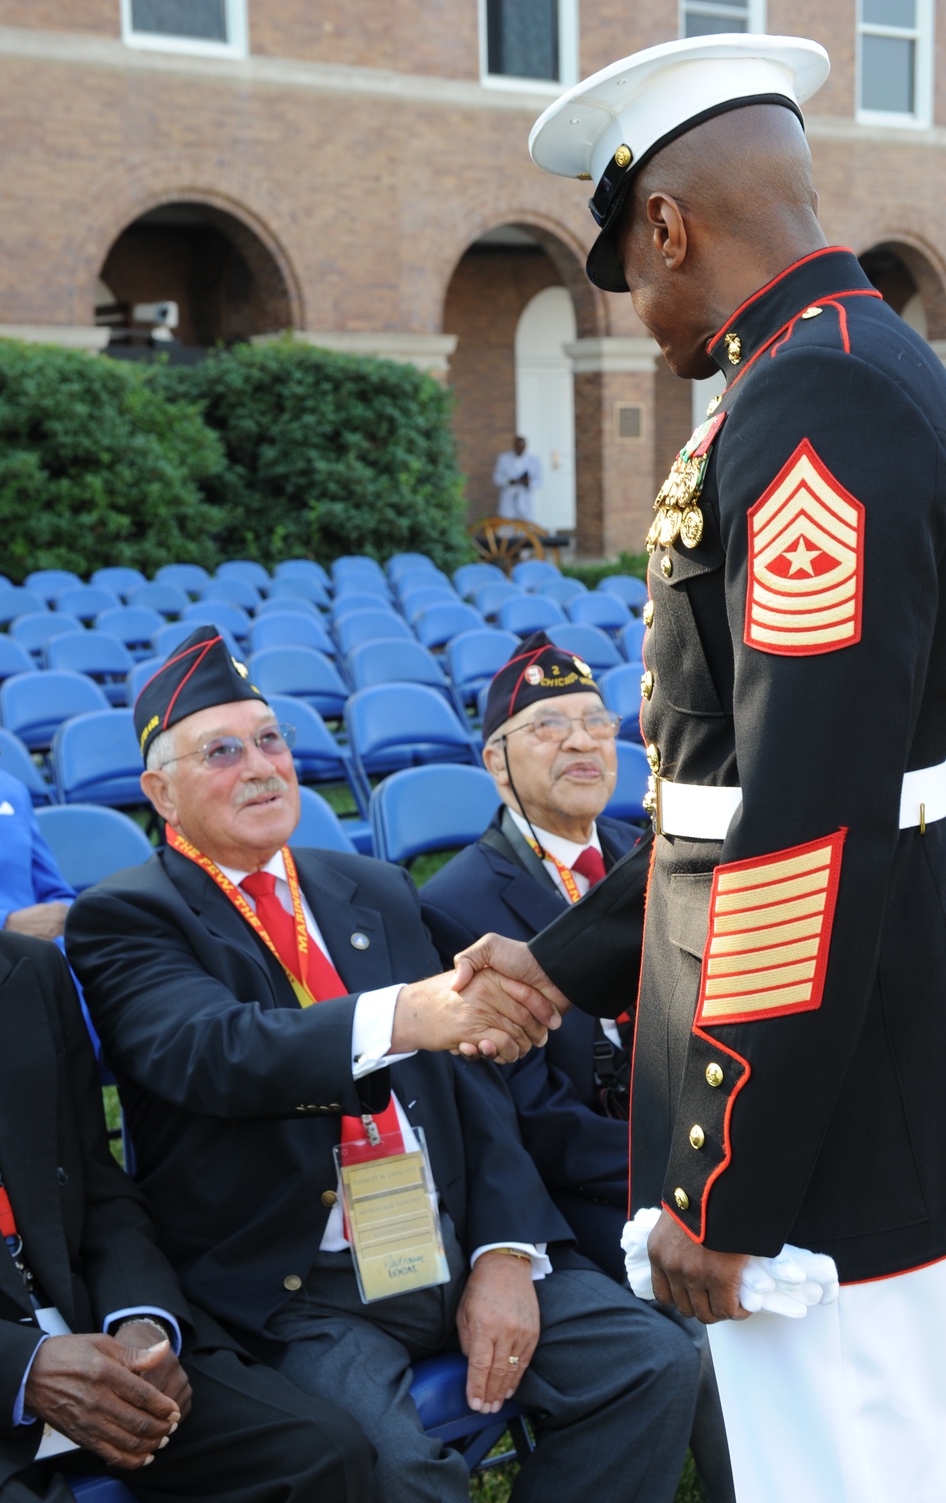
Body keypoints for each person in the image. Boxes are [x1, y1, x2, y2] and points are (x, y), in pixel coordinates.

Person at [454, 31, 946, 1503]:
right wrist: (560, 958)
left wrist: (725, 1186)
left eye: (631, 263)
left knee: (848, 1469)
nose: (640, 303)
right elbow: (713, 797)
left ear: (669, 223)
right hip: (858, 1071)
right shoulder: (853, 363)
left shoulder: (816, 400)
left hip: (828, 1133)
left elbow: (806, 825)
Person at [65, 626, 699, 1503]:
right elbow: (214, 1050)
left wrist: (507, 1250)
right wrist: (411, 1012)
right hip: (303, 1282)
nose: (261, 765)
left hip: (446, 1234)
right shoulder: (128, 914)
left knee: (650, 1362)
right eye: (222, 750)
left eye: (272, 739)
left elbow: (477, 1085)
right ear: (158, 792)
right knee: (395, 1468)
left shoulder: (368, 884)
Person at [0, 731, 377, 1503]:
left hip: (94, 1338)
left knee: (320, 1452)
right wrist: (20, 1368)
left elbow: (97, 1181)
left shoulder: (23, 971)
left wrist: (143, 1321)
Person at [421, 632, 734, 1503]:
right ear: (496, 763)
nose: (582, 744)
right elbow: (527, 1113)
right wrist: (683, 1181)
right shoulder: (459, 902)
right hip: (586, 1193)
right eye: (548, 728)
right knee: (714, 1324)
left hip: (692, 1157)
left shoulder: (654, 854)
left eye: (598, 725)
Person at [0, 759, 75, 937]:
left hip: (38, 948)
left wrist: (62, 916)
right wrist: (4, 922)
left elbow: (55, 891)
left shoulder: (6, 785)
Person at [492, 436, 541, 523]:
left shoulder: (534, 460)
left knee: (526, 525)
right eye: (517, 446)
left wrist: (528, 482)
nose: (519, 449)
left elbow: (539, 481)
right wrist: (509, 481)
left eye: (521, 447)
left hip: (525, 498)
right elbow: (497, 478)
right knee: (507, 525)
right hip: (509, 497)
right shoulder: (504, 458)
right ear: (514, 446)